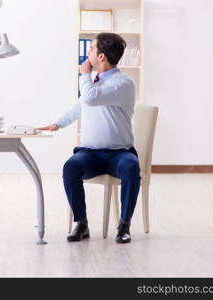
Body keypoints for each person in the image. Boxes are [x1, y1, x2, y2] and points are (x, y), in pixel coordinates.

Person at [37, 33, 140, 244]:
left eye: (91, 49)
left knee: (131, 167)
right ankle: (81, 223)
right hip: (90, 154)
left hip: (119, 154)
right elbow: (80, 106)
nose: (88, 52)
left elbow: (91, 99)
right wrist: (57, 123)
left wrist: (83, 75)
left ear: (101, 57)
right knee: (71, 168)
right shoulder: (93, 83)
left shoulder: (123, 83)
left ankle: (124, 225)